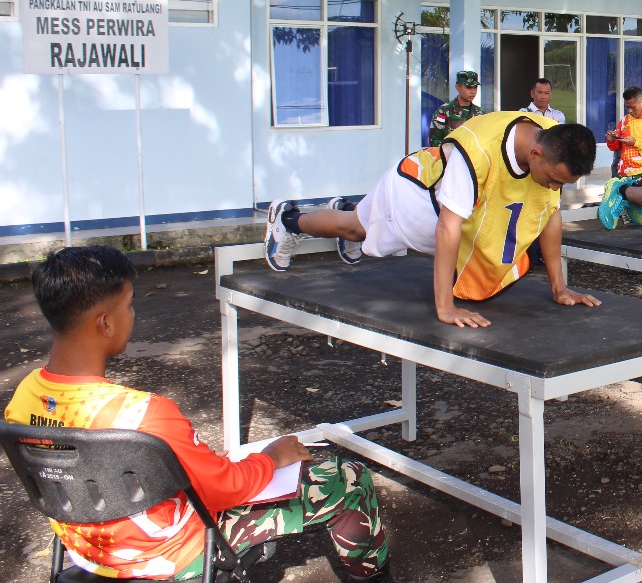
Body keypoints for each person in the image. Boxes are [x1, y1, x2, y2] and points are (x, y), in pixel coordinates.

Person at [5, 246, 392, 582]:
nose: (133, 315)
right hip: (170, 555)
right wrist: (272, 457)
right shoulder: (142, 414)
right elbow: (225, 488)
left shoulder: (21, 401)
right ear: (104, 323)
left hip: (88, 551)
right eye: (129, 305)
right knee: (349, 478)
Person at [265, 113, 599, 328]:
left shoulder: (552, 142)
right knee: (353, 228)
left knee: (358, 224)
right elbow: (447, 227)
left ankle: (352, 208)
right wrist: (446, 307)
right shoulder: (478, 151)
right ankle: (290, 220)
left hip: (451, 208)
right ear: (536, 155)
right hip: (414, 195)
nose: (555, 188)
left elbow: (549, 214)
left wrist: (559, 287)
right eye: (554, 180)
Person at [602, 86, 642, 226]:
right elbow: (616, 147)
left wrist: (637, 142)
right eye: (627, 107)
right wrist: (612, 139)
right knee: (628, 223)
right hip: (623, 174)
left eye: (632, 107)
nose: (630, 111)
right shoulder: (625, 120)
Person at [428, 70, 484, 147]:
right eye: (469, 87)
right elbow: (434, 141)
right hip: (450, 157)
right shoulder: (443, 112)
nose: (473, 92)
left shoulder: (480, 113)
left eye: (475, 88)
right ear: (458, 87)